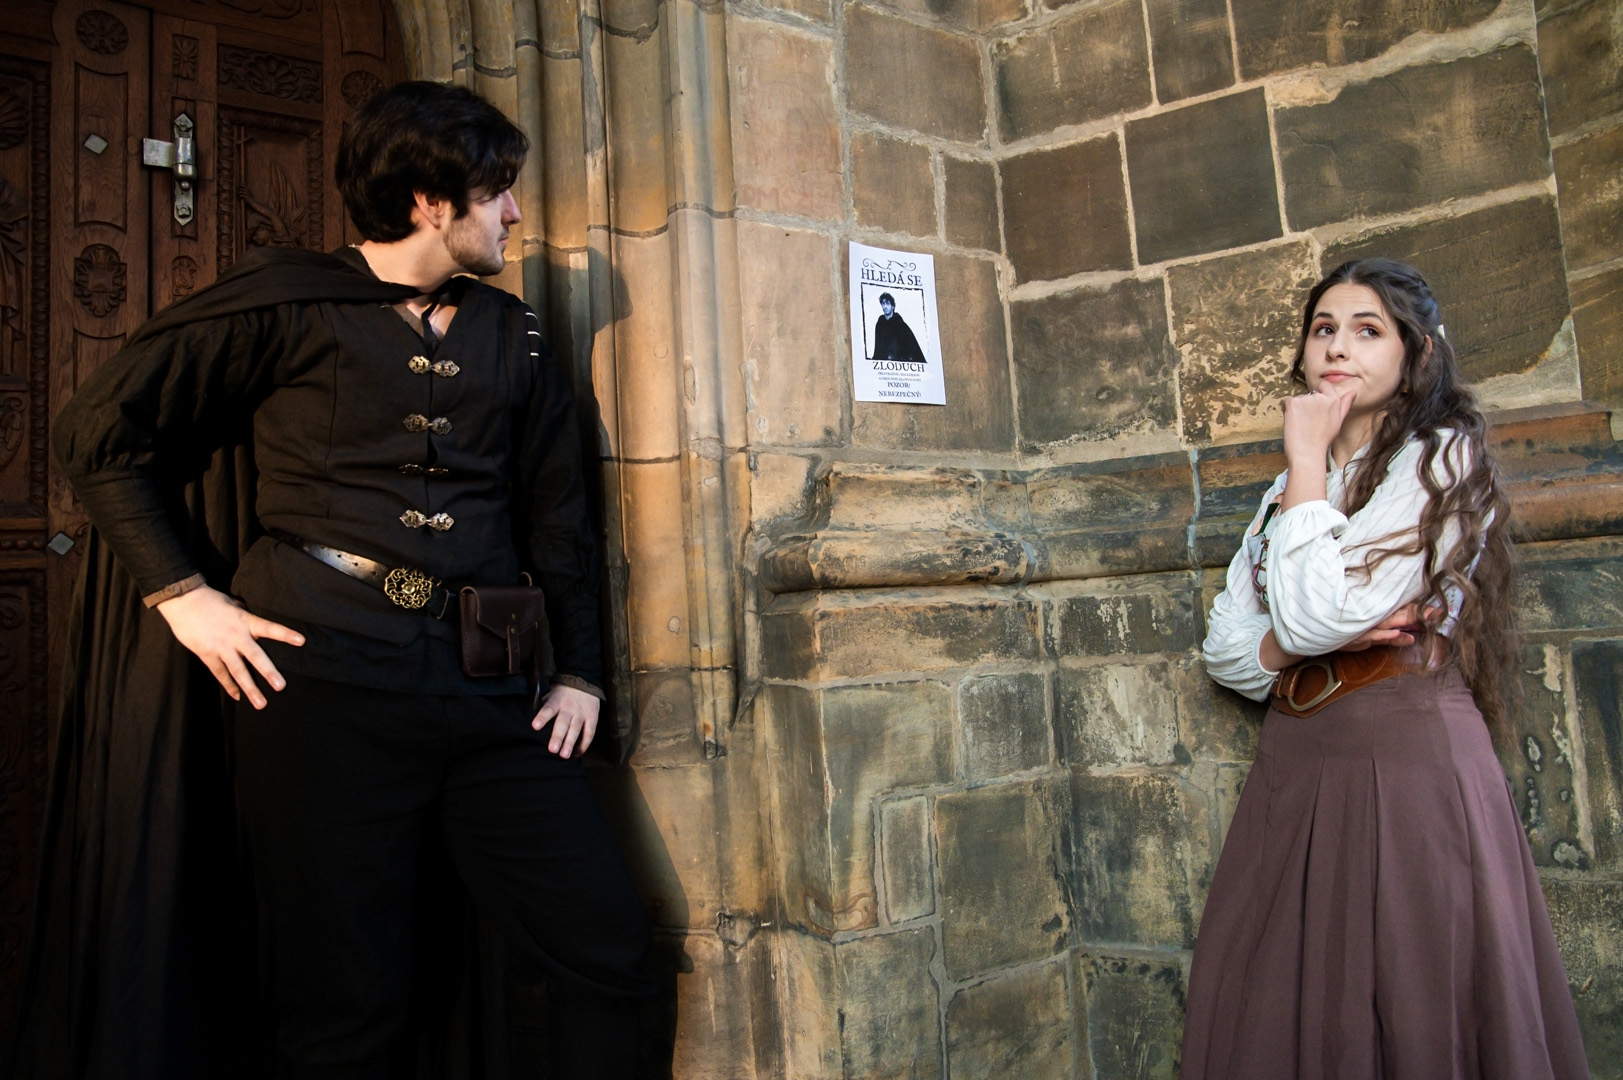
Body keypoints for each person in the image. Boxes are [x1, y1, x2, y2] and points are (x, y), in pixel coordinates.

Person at [26, 81, 654, 1079]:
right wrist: (184, 596)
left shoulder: (515, 333)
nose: (514, 212)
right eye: (495, 190)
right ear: (428, 201)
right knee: (344, 1004)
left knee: (607, 944)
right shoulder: (287, 305)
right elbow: (97, 435)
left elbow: (558, 515)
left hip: (493, 693)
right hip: (320, 689)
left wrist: (579, 672)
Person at [1182, 259, 1589, 1079]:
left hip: (1404, 753)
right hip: (1299, 758)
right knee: (1280, 995)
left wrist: (1304, 468)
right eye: (1322, 329)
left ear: (1416, 353)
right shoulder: (1287, 488)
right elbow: (1227, 648)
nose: (1337, 347)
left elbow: (1309, 613)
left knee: (1414, 986)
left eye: (1367, 330)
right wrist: (1298, 638)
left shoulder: (1439, 457)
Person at [870, 291, 926, 364]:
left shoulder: (900, 324)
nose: (885, 306)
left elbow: (910, 346)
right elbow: (878, 347)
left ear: (893, 306)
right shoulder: (880, 323)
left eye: (887, 303)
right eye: (883, 303)